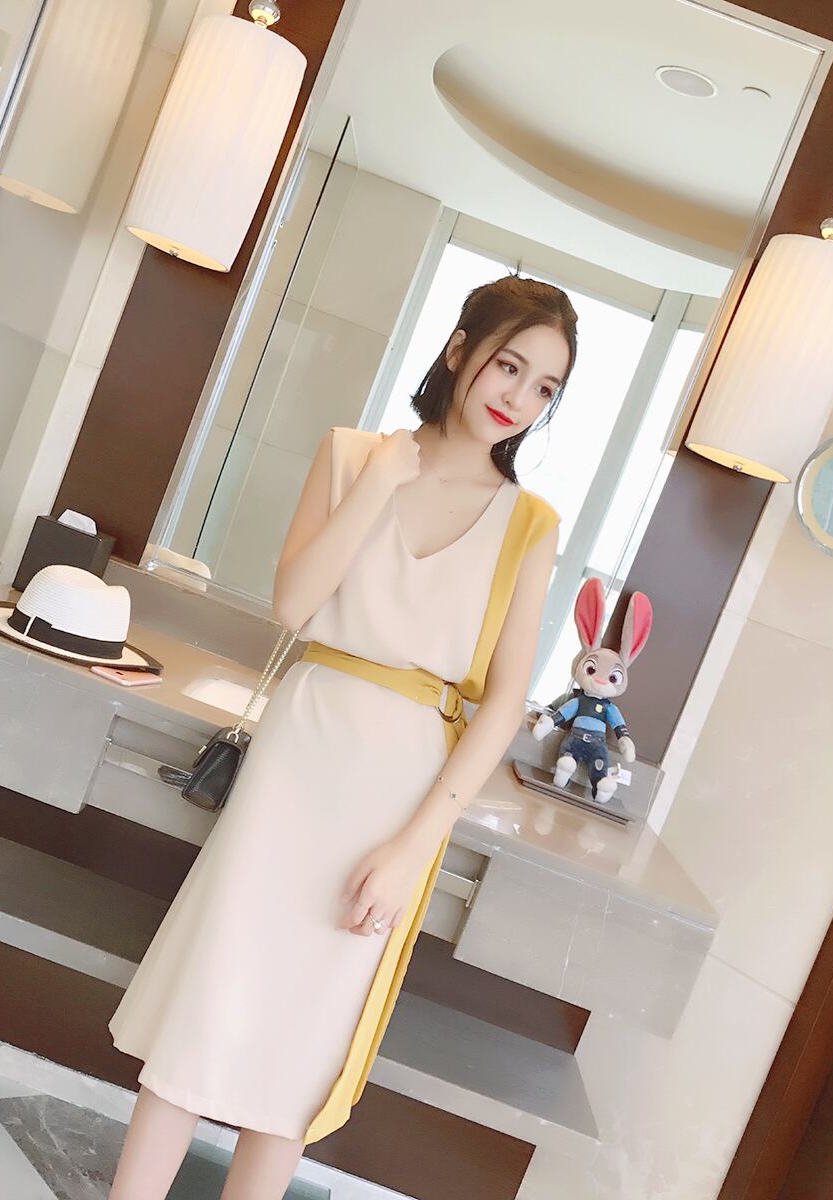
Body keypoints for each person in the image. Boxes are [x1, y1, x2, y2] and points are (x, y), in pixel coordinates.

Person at [107, 274, 578, 1200]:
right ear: (459, 350)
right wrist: (381, 485)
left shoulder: (531, 526)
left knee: (308, 1041)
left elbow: (502, 706)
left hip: (398, 791)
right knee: (209, 999)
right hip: (301, 751)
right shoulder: (353, 454)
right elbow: (293, 605)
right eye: (508, 365)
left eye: (545, 387)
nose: (518, 397)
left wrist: (414, 848)